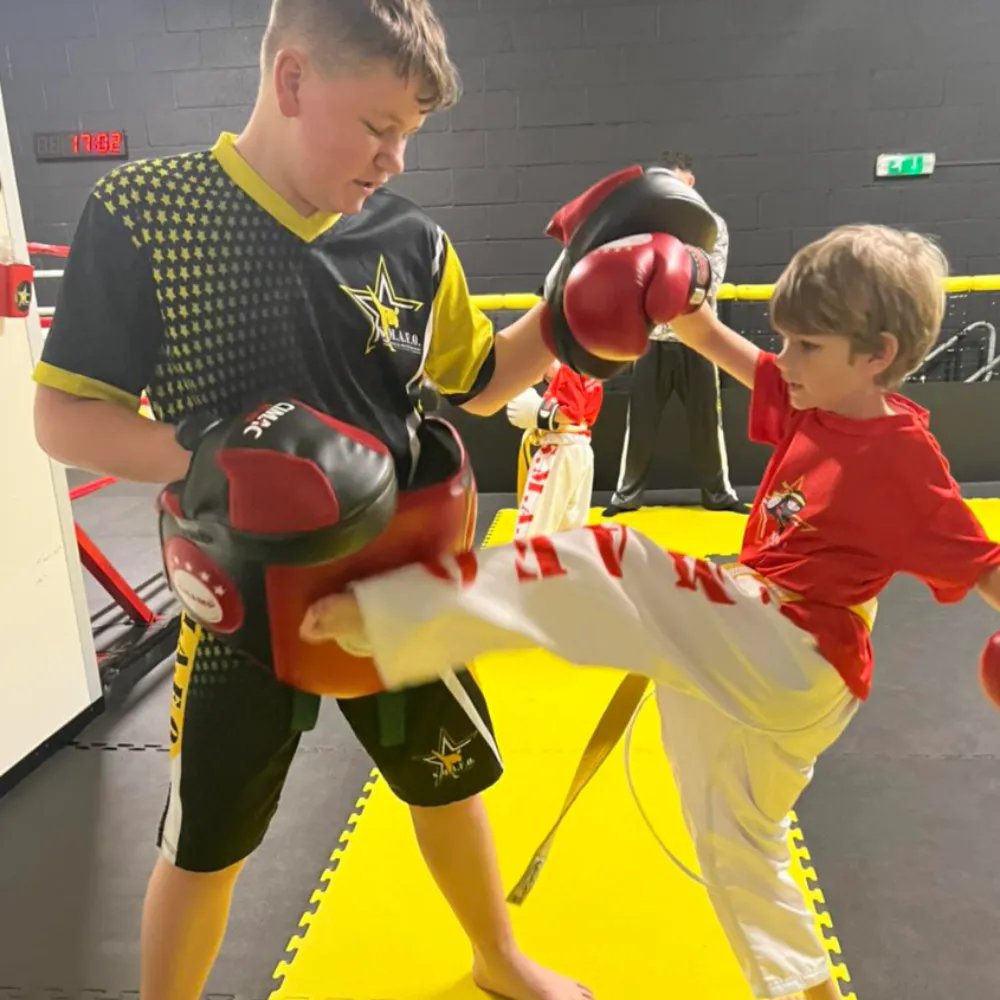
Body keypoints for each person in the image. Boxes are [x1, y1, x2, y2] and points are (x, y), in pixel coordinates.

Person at [30, 3, 595, 1000]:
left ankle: (496, 955)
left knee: (448, 781)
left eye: (408, 134)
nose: (395, 158)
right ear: (292, 80)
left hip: (396, 580)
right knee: (203, 841)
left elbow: (481, 382)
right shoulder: (147, 213)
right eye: (378, 126)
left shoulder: (414, 243)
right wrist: (210, 455)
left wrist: (575, 312)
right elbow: (62, 418)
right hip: (239, 598)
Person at [300, 224, 1000, 1000]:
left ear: (877, 355)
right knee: (737, 846)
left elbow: (986, 565)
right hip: (769, 663)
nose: (786, 360)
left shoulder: (903, 457)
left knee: (612, 560)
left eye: (807, 346)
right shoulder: (816, 398)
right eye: (786, 340)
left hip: (795, 649)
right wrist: (675, 296)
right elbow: (720, 345)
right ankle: (808, 991)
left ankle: (396, 618)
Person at [604, 151, 747, 517]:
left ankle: (718, 494)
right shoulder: (648, 227)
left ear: (690, 182)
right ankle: (625, 495)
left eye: (674, 180)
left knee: (707, 421)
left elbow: (711, 281)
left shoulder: (711, 225)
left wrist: (671, 265)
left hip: (699, 339)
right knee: (640, 421)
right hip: (651, 340)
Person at [506, 359, 604, 539]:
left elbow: (570, 414)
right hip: (581, 449)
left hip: (559, 450)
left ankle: (526, 557)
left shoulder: (567, 370)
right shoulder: (587, 368)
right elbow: (585, 414)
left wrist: (538, 412)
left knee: (536, 519)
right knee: (571, 524)